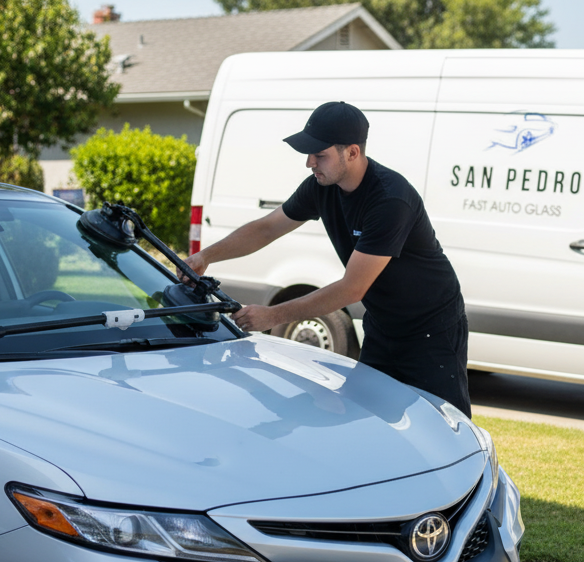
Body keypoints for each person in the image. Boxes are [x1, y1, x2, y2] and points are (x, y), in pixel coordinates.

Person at [184, 101, 471, 415]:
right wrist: (204, 257)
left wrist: (273, 316)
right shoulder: (321, 187)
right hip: (382, 327)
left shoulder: (390, 199)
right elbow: (267, 228)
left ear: (352, 152)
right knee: (367, 419)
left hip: (432, 331)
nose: (309, 162)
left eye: (319, 154)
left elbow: (352, 289)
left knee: (445, 426)